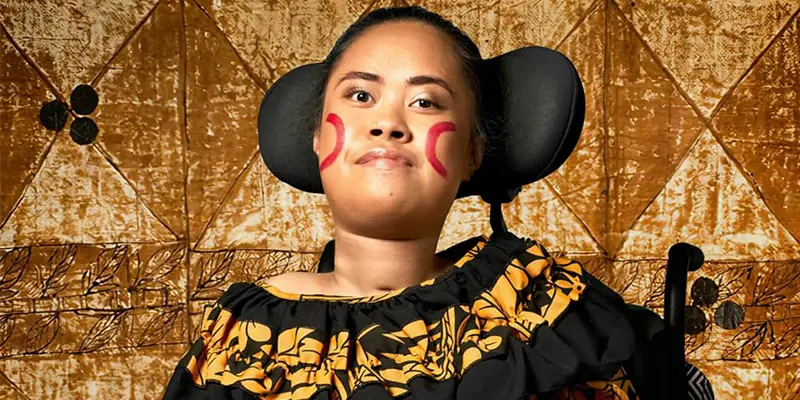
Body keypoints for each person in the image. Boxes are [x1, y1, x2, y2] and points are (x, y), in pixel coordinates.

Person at [162, 6, 640, 399]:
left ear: (473, 152)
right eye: (361, 94)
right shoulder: (237, 334)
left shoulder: (542, 307)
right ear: (316, 136)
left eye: (426, 102)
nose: (387, 122)